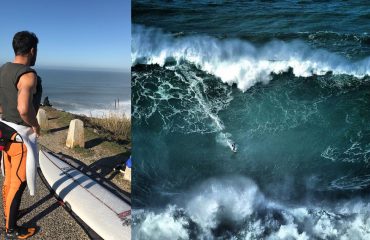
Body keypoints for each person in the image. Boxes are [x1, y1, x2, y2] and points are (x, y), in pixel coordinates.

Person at [0, 31, 42, 239]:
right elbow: (24, 108)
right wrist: (35, 126)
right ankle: (11, 229)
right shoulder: (28, 74)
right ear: (32, 50)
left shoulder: (3, 69)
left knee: (9, 178)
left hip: (4, 132)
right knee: (18, 181)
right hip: (20, 136)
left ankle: (9, 214)